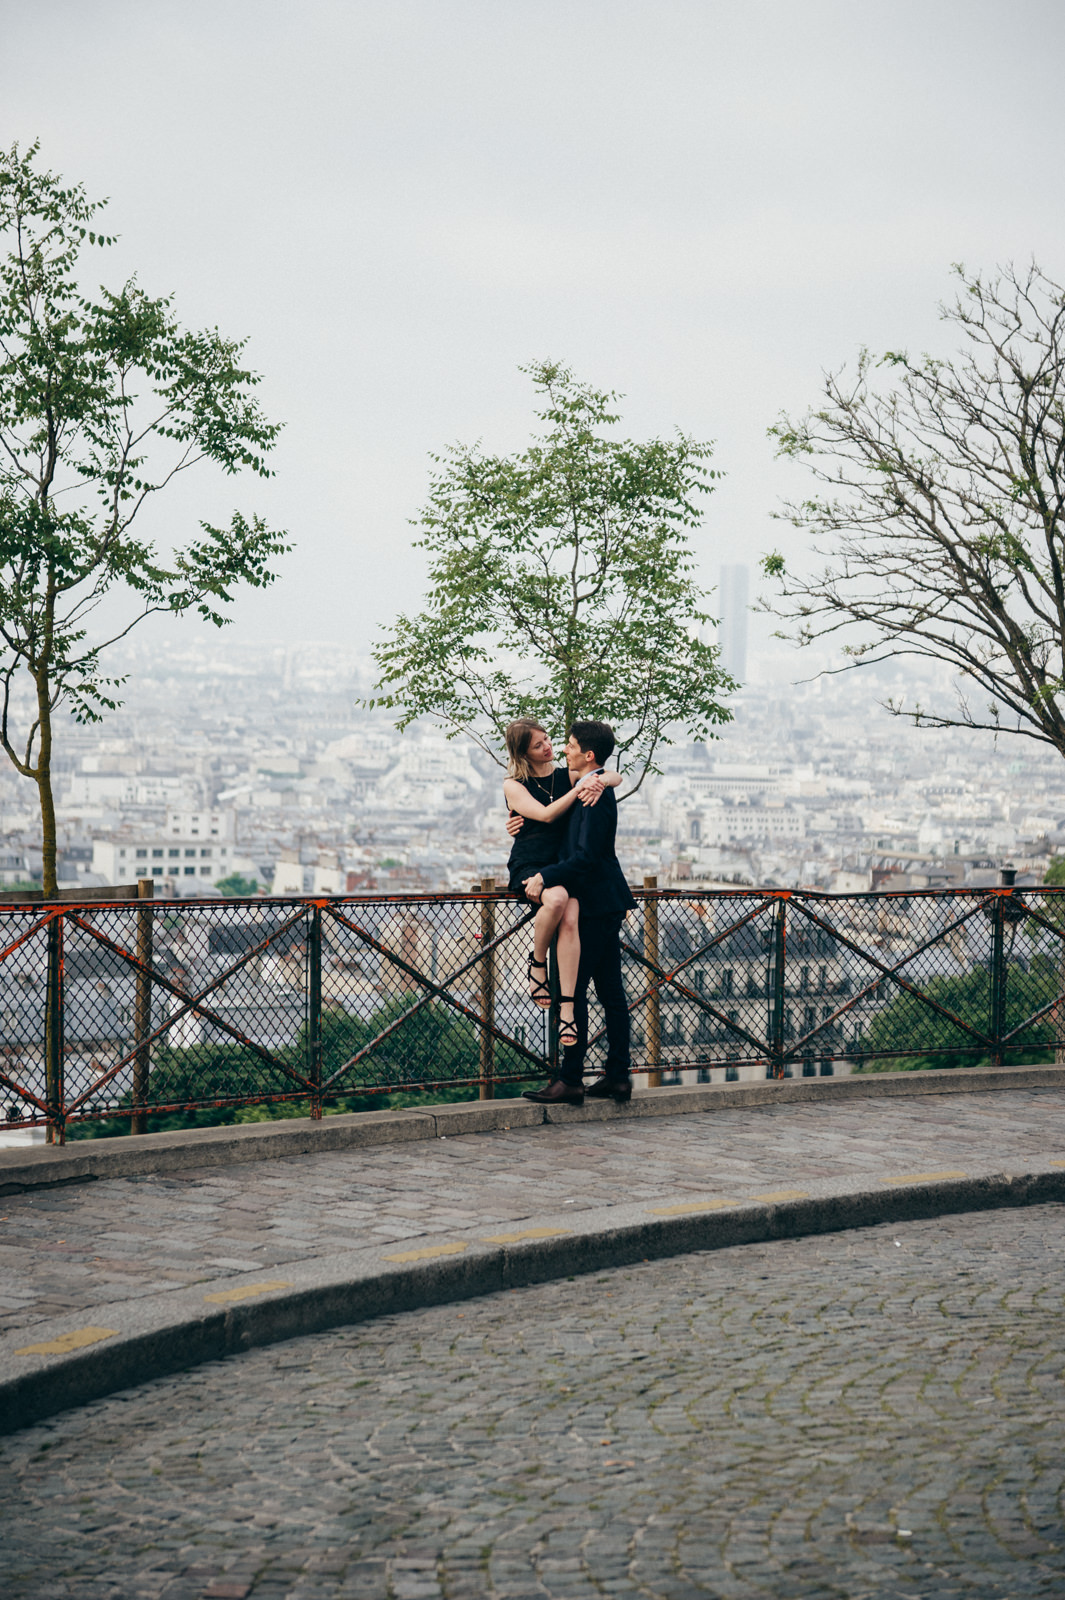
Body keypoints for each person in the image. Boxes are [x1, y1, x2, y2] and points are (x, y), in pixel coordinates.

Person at [519, 720, 636, 1107]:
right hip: (606, 900)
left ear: (587, 754)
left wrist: (545, 876)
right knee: (610, 993)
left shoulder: (594, 794)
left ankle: (570, 1078)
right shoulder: (589, 785)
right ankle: (617, 1076)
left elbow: (584, 857)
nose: (563, 750)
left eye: (569, 745)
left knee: (573, 990)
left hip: (592, 903)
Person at [503, 718, 622, 1049]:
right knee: (556, 902)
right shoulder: (514, 784)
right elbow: (545, 816)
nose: (549, 746)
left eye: (547, 739)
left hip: (557, 865)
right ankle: (538, 962)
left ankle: (567, 1007)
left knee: (570, 914)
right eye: (538, 744)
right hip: (530, 864)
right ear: (523, 752)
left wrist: (599, 781)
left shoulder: (565, 775)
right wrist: (582, 788)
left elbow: (608, 772)